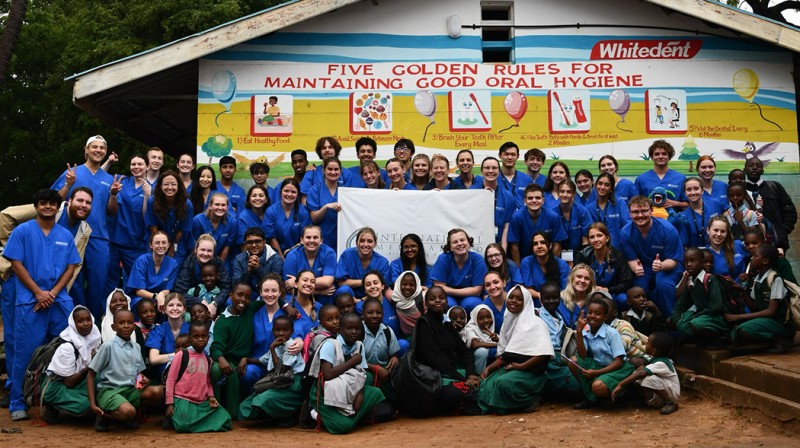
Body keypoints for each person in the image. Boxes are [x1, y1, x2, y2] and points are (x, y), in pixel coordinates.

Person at [3, 189, 81, 421]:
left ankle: (54, 402)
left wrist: (53, 293)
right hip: (30, 301)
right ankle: (18, 401)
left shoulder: (65, 234)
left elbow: (70, 267)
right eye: (43, 203)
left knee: (65, 351)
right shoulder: (22, 231)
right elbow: (15, 263)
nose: (48, 207)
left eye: (52, 204)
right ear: (36, 206)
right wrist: (38, 293)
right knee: (25, 354)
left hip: (58, 302)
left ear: (58, 208)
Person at [52, 135, 117, 320]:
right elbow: (54, 201)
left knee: (98, 282)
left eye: (102, 148)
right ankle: (75, 323)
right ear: (86, 150)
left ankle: (94, 324)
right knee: (73, 282)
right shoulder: (74, 173)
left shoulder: (108, 178)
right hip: (73, 235)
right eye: (94, 147)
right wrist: (68, 184)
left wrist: (113, 195)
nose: (98, 150)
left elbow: (112, 211)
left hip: (99, 237)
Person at [306, 312, 386, 434]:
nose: (354, 332)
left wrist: (360, 394)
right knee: (344, 427)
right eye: (349, 328)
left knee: (376, 392)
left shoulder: (359, 345)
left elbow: (361, 373)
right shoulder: (330, 344)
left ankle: (346, 415)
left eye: (357, 329)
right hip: (325, 391)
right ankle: (315, 413)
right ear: (340, 329)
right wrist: (353, 361)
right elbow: (328, 375)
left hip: (348, 387)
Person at [479, 285, 553, 415]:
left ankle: (529, 399)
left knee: (502, 383)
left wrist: (521, 367)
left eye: (519, 299)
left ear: (526, 303)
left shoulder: (536, 323)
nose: (513, 301)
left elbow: (543, 354)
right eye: (511, 297)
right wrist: (489, 368)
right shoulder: (508, 321)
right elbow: (508, 355)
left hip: (531, 372)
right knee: (487, 382)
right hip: (513, 367)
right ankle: (500, 406)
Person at [87, 310, 162, 432]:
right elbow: (91, 374)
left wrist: (143, 380)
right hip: (110, 391)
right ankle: (105, 416)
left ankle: (128, 415)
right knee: (128, 411)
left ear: (134, 325)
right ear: (114, 327)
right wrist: (92, 404)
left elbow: (138, 374)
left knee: (157, 392)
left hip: (130, 390)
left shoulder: (136, 347)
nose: (126, 326)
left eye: (130, 322)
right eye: (121, 323)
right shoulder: (108, 346)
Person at [412, 286, 481, 416]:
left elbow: (463, 350)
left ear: (447, 302)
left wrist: (471, 374)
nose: (437, 301)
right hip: (434, 375)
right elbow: (435, 358)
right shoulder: (424, 324)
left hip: (452, 371)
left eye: (441, 298)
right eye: (432, 299)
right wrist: (462, 378)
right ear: (426, 304)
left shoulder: (447, 323)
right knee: (456, 393)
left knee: (482, 384)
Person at [619, 196, 684, 316]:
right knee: (638, 290)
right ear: (630, 214)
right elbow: (632, 259)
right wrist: (635, 268)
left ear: (651, 211)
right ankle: (646, 323)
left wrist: (661, 265)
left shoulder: (667, 230)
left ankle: (671, 321)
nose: (640, 215)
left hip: (668, 267)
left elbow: (674, 261)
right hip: (645, 267)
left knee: (663, 285)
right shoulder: (625, 233)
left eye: (644, 211)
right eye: (635, 212)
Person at [726, 243, 796, 353]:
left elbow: (771, 311)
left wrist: (739, 316)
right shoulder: (758, 278)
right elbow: (754, 307)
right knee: (734, 334)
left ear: (765, 261)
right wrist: (742, 291)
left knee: (743, 330)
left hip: (778, 323)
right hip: (766, 321)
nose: (752, 258)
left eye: (755, 256)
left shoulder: (775, 279)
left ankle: (779, 339)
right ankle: (764, 344)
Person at [568, 297, 635, 409]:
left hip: (616, 368)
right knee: (573, 361)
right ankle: (589, 397)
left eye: (597, 314)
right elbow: (583, 354)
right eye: (590, 312)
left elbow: (619, 362)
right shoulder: (586, 329)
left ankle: (613, 397)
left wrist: (596, 372)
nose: (592, 316)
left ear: (605, 317)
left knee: (598, 386)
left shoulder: (611, 333)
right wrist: (579, 332)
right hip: (598, 364)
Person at [165, 321, 232, 433]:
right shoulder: (182, 355)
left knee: (226, 419)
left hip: (201, 402)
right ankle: (193, 422)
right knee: (182, 426)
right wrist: (169, 403)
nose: (200, 339)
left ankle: (193, 423)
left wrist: (211, 397)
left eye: (203, 336)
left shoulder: (208, 359)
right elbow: (170, 380)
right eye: (196, 336)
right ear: (190, 339)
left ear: (208, 337)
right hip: (183, 400)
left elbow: (208, 382)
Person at [244, 275, 304, 398]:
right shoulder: (255, 312)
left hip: (282, 367)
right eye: (266, 291)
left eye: (274, 290)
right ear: (260, 292)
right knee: (248, 373)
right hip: (259, 363)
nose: (270, 294)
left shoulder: (289, 313)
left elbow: (298, 332)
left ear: (280, 292)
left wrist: (299, 342)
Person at [239, 315, 306, 424]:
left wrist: (272, 349)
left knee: (265, 399)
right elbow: (261, 361)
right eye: (277, 330)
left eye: (285, 330)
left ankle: (290, 416)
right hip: (278, 382)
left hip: (292, 384)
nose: (281, 333)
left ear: (292, 331)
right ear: (273, 331)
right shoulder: (277, 345)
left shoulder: (291, 347)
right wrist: (245, 359)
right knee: (247, 404)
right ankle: (271, 416)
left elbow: (281, 370)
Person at [210, 282, 264, 419]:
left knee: (234, 414)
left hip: (242, 361)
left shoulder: (249, 309)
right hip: (226, 361)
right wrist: (221, 359)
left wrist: (285, 305)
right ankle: (214, 409)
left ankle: (233, 412)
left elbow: (269, 298)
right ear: (231, 295)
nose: (243, 300)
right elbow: (216, 347)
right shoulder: (222, 321)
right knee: (217, 369)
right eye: (239, 295)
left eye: (247, 297)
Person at [42, 305, 102, 423]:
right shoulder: (67, 347)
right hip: (57, 386)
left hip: (79, 379)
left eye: (88, 320)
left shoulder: (94, 336)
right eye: (80, 321)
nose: (86, 324)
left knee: (101, 380)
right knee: (85, 405)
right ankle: (52, 405)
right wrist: (91, 365)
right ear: (73, 324)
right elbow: (68, 382)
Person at [107, 154, 151, 294]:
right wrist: (108, 162)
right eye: (133, 164)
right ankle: (106, 313)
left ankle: (132, 313)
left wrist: (147, 196)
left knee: (135, 282)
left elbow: (147, 217)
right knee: (109, 281)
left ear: (147, 166)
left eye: (140, 164)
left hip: (135, 244)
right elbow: (97, 176)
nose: (136, 167)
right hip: (115, 240)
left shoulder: (152, 188)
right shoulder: (122, 181)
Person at [668, 248, 728, 344]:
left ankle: (720, 337)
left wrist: (696, 316)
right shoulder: (690, 282)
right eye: (686, 262)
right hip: (702, 316)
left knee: (696, 323)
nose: (689, 264)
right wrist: (674, 317)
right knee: (681, 324)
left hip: (716, 317)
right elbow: (682, 304)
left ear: (702, 262)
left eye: (693, 261)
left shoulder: (710, 280)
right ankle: (700, 338)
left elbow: (716, 306)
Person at [611, 332, 680, 415]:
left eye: (648, 343)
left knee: (647, 378)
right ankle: (641, 400)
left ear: (654, 350)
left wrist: (620, 384)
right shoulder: (655, 359)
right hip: (665, 391)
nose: (645, 345)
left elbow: (641, 373)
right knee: (638, 374)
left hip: (672, 395)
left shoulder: (662, 363)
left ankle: (670, 403)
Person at [744, 156, 797, 253]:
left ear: (763, 171)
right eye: (751, 165)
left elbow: (790, 211)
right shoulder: (740, 191)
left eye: (758, 166)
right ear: (744, 170)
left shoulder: (774, 187)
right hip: (750, 245)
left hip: (775, 243)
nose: (755, 168)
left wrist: (782, 231)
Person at [575, 223, 633, 310]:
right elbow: (575, 280)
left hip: (612, 292)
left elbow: (626, 281)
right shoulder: (583, 255)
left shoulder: (618, 255)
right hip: (589, 293)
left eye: (599, 236)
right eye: (592, 237)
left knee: (623, 299)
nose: (595, 240)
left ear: (607, 238)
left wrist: (608, 289)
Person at [430, 228, 488, 313]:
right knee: (447, 304)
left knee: (473, 304)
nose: (460, 244)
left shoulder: (477, 259)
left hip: (470, 297)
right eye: (455, 242)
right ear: (450, 247)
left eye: (462, 240)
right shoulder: (443, 259)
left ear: (468, 242)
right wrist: (462, 291)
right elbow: (439, 287)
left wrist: (450, 290)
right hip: (448, 297)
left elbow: (477, 291)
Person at [508, 184, 567, 265]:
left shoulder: (553, 217)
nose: (534, 200)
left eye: (538, 198)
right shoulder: (517, 217)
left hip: (547, 260)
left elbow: (557, 244)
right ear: (524, 201)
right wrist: (519, 268)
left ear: (543, 200)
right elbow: (514, 246)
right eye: (530, 198)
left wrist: (551, 265)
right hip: (524, 261)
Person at [538, 282, 580, 395]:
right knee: (574, 383)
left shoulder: (559, 317)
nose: (551, 301)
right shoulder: (536, 315)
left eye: (554, 298)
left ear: (559, 299)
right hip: (545, 358)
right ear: (541, 300)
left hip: (560, 356)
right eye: (547, 298)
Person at [174, 234, 232, 317]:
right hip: (194, 300)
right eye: (202, 250)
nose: (205, 253)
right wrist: (201, 301)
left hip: (214, 299)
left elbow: (226, 286)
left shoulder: (218, 263)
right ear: (196, 249)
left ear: (214, 252)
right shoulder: (189, 264)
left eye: (209, 251)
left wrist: (215, 303)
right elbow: (180, 291)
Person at [145, 170, 193, 267]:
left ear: (179, 186)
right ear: (160, 186)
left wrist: (171, 248)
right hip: (157, 239)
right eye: (166, 184)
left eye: (173, 184)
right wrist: (161, 245)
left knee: (174, 265)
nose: (170, 187)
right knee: (155, 265)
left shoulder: (187, 204)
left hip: (178, 242)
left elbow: (182, 229)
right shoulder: (152, 201)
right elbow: (153, 226)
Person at [361, 297, 402, 404]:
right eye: (370, 312)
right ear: (363, 314)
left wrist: (394, 358)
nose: (374, 316)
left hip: (385, 373)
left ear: (383, 315)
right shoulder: (358, 332)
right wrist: (376, 369)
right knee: (366, 378)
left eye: (378, 312)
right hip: (365, 371)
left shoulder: (387, 331)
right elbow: (353, 360)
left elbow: (393, 354)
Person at [283, 225, 337, 303]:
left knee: (329, 296)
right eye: (308, 237)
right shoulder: (292, 256)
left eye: (315, 237)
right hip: (300, 296)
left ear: (321, 240)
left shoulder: (329, 253)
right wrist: (319, 292)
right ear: (301, 240)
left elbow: (327, 282)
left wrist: (297, 281)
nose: (311, 240)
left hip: (323, 296)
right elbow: (289, 287)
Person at [126, 231, 178, 309]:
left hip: (162, 298)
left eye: (164, 243)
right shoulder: (142, 261)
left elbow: (168, 289)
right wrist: (155, 297)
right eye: (157, 243)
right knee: (145, 306)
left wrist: (161, 295)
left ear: (168, 245)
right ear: (151, 245)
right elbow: (139, 291)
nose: (161, 246)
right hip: (141, 298)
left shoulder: (173, 263)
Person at [335, 227, 391, 300]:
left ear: (375, 244)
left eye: (370, 241)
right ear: (356, 243)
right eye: (362, 241)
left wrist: (361, 300)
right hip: (351, 298)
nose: (365, 244)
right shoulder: (347, 255)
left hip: (373, 298)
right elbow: (341, 283)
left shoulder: (382, 262)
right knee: (343, 290)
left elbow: (383, 287)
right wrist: (364, 282)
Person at [634, 139, 688, 212]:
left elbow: (689, 204)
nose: (660, 156)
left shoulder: (680, 178)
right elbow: (634, 204)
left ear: (669, 156)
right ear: (652, 157)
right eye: (656, 154)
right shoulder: (641, 179)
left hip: (674, 221)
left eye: (664, 154)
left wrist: (675, 203)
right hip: (649, 221)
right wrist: (648, 203)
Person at [146, 293, 191, 379]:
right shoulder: (158, 330)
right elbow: (153, 359)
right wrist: (178, 356)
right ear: (165, 309)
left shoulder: (191, 330)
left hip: (188, 370)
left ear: (184, 309)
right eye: (170, 305)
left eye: (179, 305)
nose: (175, 308)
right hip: (165, 372)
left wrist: (167, 357)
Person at [264, 178, 311, 257]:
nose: (289, 194)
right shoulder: (271, 211)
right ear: (280, 192)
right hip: (275, 256)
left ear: (298, 194)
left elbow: (304, 237)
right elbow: (272, 238)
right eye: (286, 191)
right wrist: (281, 258)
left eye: (293, 192)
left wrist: (291, 255)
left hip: (298, 254)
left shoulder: (303, 212)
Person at [231, 227, 283, 297]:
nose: (254, 245)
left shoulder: (276, 259)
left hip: (268, 296)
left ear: (264, 242)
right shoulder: (239, 259)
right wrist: (248, 271)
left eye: (257, 241)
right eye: (250, 242)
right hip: (246, 296)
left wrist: (258, 269)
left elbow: (275, 285)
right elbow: (236, 286)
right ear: (245, 244)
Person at [307, 157, 344, 251]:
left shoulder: (345, 191)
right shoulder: (315, 190)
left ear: (340, 171)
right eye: (330, 169)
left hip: (341, 239)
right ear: (323, 170)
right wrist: (326, 207)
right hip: (322, 240)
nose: (333, 172)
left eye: (336, 169)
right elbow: (314, 218)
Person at [520, 232, 570, 301]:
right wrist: (539, 295)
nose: (539, 246)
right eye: (535, 244)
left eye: (543, 242)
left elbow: (565, 290)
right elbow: (527, 289)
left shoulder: (562, 264)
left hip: (558, 301)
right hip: (535, 303)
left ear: (550, 246)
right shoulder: (527, 262)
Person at [476, 157, 515, 245]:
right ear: (481, 171)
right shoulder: (472, 192)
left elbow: (506, 228)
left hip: (499, 244)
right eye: (487, 168)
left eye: (494, 168)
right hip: (476, 243)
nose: (490, 171)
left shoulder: (508, 196)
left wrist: (502, 254)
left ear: (499, 171)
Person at [191, 192, 238, 266]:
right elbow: (196, 246)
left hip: (222, 258)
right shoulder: (198, 220)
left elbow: (227, 246)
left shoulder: (232, 222)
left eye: (223, 205)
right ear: (210, 206)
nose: (220, 208)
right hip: (201, 257)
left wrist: (218, 266)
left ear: (227, 207)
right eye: (217, 204)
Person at [677, 177, 724, 247]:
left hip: (718, 251)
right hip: (696, 255)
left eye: (696, 188)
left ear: (702, 190)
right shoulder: (683, 217)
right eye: (689, 190)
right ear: (685, 193)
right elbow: (684, 243)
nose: (693, 192)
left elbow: (728, 214)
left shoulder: (715, 203)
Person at [588, 172, 631, 246]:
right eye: (600, 183)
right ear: (595, 185)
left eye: (607, 185)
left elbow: (627, 227)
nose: (602, 187)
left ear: (611, 189)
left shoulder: (620, 203)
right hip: (598, 249)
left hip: (619, 249)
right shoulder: (590, 208)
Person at [554, 179, 593, 252]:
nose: (565, 195)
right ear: (558, 193)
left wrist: (581, 259)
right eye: (562, 191)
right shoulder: (553, 213)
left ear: (574, 194)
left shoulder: (582, 212)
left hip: (579, 253)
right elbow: (554, 241)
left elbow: (585, 240)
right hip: (558, 254)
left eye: (569, 192)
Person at [288, 270, 324, 337]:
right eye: (305, 280)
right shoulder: (288, 308)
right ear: (296, 284)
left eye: (312, 282)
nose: (309, 284)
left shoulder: (320, 308)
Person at [558, 264, 596, 329]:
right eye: (579, 276)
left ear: (590, 283)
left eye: (587, 278)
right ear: (572, 278)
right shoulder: (560, 299)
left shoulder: (593, 301)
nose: (582, 280)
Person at [498, 142, 533, 210]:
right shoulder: (494, 179)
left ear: (518, 156)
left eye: (513, 154)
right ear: (500, 155)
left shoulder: (526, 179)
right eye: (506, 154)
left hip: (521, 219)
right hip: (501, 218)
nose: (510, 157)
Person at [464, 304, 498, 373]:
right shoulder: (470, 328)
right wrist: (498, 344)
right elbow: (475, 344)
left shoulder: (492, 332)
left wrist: (497, 340)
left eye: (488, 317)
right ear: (475, 319)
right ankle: (479, 376)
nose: (486, 320)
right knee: (482, 351)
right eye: (481, 318)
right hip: (471, 359)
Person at [236, 185, 270, 252]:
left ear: (266, 199)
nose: (257, 198)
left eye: (261, 196)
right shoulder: (243, 218)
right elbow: (243, 246)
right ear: (249, 199)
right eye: (254, 196)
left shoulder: (270, 213)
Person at [391, 271, 424, 338]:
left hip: (422, 335)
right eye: (404, 284)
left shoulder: (423, 298)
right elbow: (384, 289)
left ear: (417, 286)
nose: (408, 287)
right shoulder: (395, 298)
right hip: (407, 336)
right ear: (398, 284)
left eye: (411, 285)